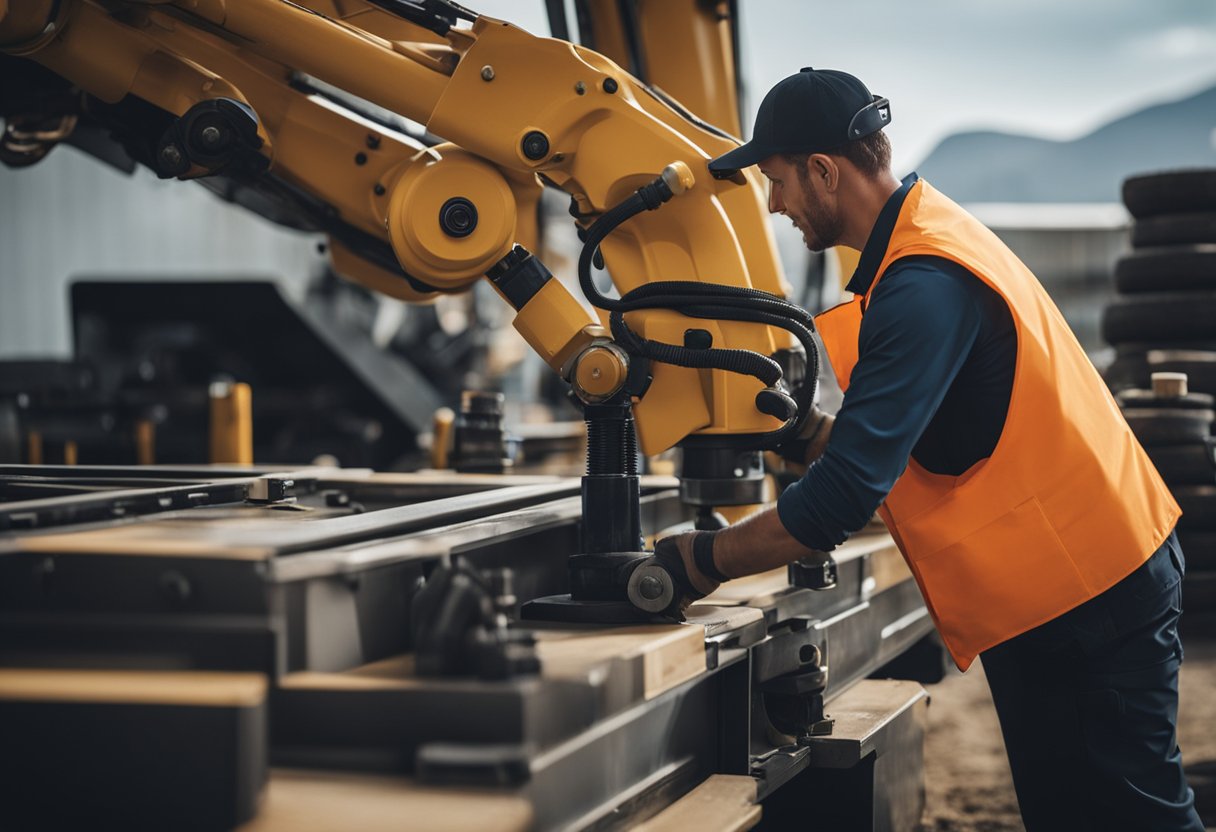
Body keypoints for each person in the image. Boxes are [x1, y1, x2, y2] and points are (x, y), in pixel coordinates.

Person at [654, 67, 1203, 831]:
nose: (775, 204)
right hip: (1076, 584)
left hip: (1090, 596)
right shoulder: (926, 242)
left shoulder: (922, 282)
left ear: (823, 170)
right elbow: (938, 425)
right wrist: (814, 434)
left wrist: (695, 563)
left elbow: (841, 500)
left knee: (1125, 818)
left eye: (777, 182)